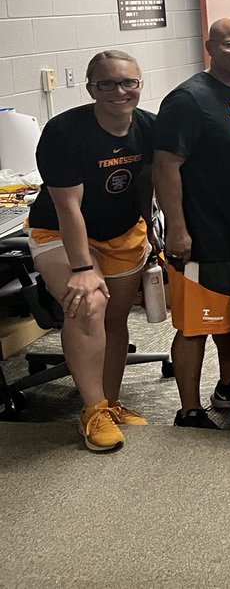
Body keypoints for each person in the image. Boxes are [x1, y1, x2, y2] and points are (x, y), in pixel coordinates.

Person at [27, 51, 156, 452]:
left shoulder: (149, 127)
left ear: (139, 84)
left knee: (116, 318)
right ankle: (92, 409)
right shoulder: (65, 131)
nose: (119, 91)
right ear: (91, 88)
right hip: (59, 232)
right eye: (107, 84)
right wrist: (83, 267)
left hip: (122, 231)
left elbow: (149, 184)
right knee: (88, 303)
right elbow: (68, 208)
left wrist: (154, 235)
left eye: (128, 82)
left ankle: (112, 403)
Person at [155, 18, 230, 429]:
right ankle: (188, 409)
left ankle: (226, 385)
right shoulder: (188, 99)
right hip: (203, 236)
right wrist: (178, 228)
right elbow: (166, 166)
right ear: (210, 46)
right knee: (193, 326)